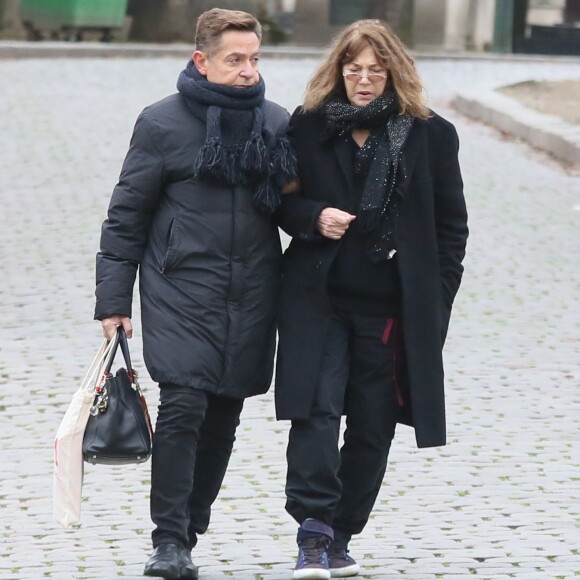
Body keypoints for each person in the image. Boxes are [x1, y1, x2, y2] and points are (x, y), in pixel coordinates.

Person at [94, 8, 295, 579]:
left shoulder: (275, 123)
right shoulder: (162, 123)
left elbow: (292, 207)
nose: (247, 71)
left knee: (224, 413)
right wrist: (113, 302)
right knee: (184, 406)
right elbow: (126, 216)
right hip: (180, 287)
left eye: (254, 59)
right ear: (201, 60)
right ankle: (168, 539)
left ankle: (190, 529)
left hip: (254, 289)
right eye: (235, 60)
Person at [274, 19, 468, 579]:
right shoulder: (308, 128)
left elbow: (451, 228)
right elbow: (280, 206)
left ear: (394, 73)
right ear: (337, 70)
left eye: (375, 71)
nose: (363, 80)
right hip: (318, 299)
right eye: (353, 69)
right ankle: (312, 531)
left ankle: (341, 532)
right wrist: (314, 217)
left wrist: (434, 299)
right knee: (314, 411)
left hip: (390, 309)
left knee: (372, 424)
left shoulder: (431, 134)